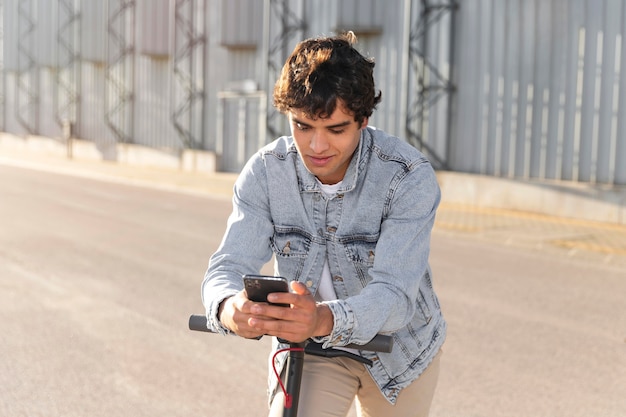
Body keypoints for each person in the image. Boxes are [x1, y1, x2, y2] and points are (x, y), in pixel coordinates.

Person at [201, 32, 446, 417]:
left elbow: (395, 295)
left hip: (399, 354)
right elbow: (227, 267)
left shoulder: (407, 176)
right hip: (310, 349)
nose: (316, 147)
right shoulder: (265, 173)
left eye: (335, 130)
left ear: (363, 120)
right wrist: (230, 309)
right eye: (302, 126)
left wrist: (321, 317)